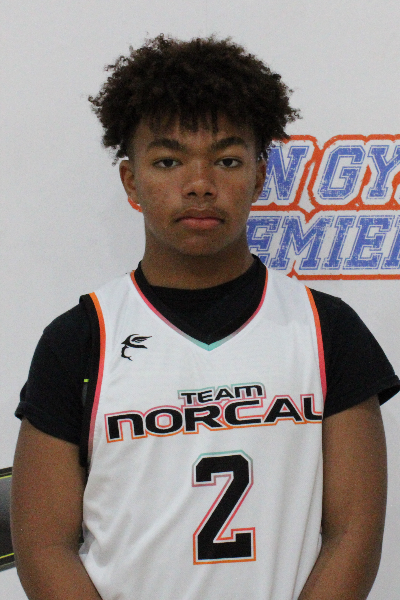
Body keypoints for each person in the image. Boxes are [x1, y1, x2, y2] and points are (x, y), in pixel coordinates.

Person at [11, 35, 400, 600]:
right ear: (131, 181)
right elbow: (44, 546)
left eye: (227, 160)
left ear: (259, 177)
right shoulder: (80, 340)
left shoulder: (325, 329)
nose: (199, 184)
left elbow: (353, 534)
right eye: (168, 161)